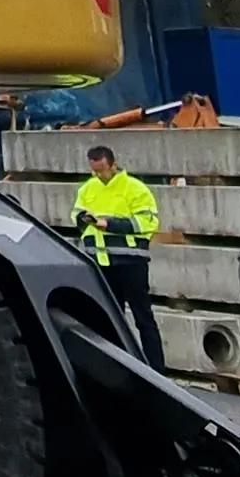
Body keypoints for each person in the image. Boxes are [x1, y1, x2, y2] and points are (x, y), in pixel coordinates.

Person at [73, 143, 165, 363]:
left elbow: (148, 221)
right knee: (111, 318)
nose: (98, 175)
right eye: (94, 171)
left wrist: (110, 224)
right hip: (102, 262)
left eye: (102, 170)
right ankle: (120, 366)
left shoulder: (135, 188)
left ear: (113, 165)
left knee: (143, 317)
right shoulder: (88, 188)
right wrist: (83, 220)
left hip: (131, 262)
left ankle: (156, 369)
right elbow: (76, 214)